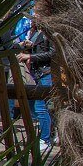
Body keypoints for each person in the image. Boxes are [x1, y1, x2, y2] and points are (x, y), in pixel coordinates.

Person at [17, 17, 54, 151]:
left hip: (46, 72)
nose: (34, 17)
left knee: (40, 106)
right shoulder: (36, 32)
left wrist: (30, 57)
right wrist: (29, 46)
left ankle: (45, 139)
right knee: (35, 105)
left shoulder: (49, 32)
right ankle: (51, 132)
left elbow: (52, 53)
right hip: (37, 73)